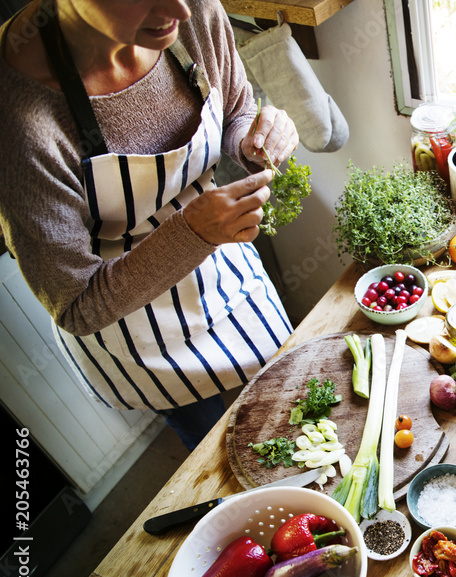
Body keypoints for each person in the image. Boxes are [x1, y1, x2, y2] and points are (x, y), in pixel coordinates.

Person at [0, 0, 297, 450]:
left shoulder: (194, 12)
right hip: (134, 325)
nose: (179, 9)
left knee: (295, 405)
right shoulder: (17, 121)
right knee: (215, 452)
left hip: (226, 271)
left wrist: (255, 138)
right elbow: (77, 304)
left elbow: (234, 109)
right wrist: (193, 232)